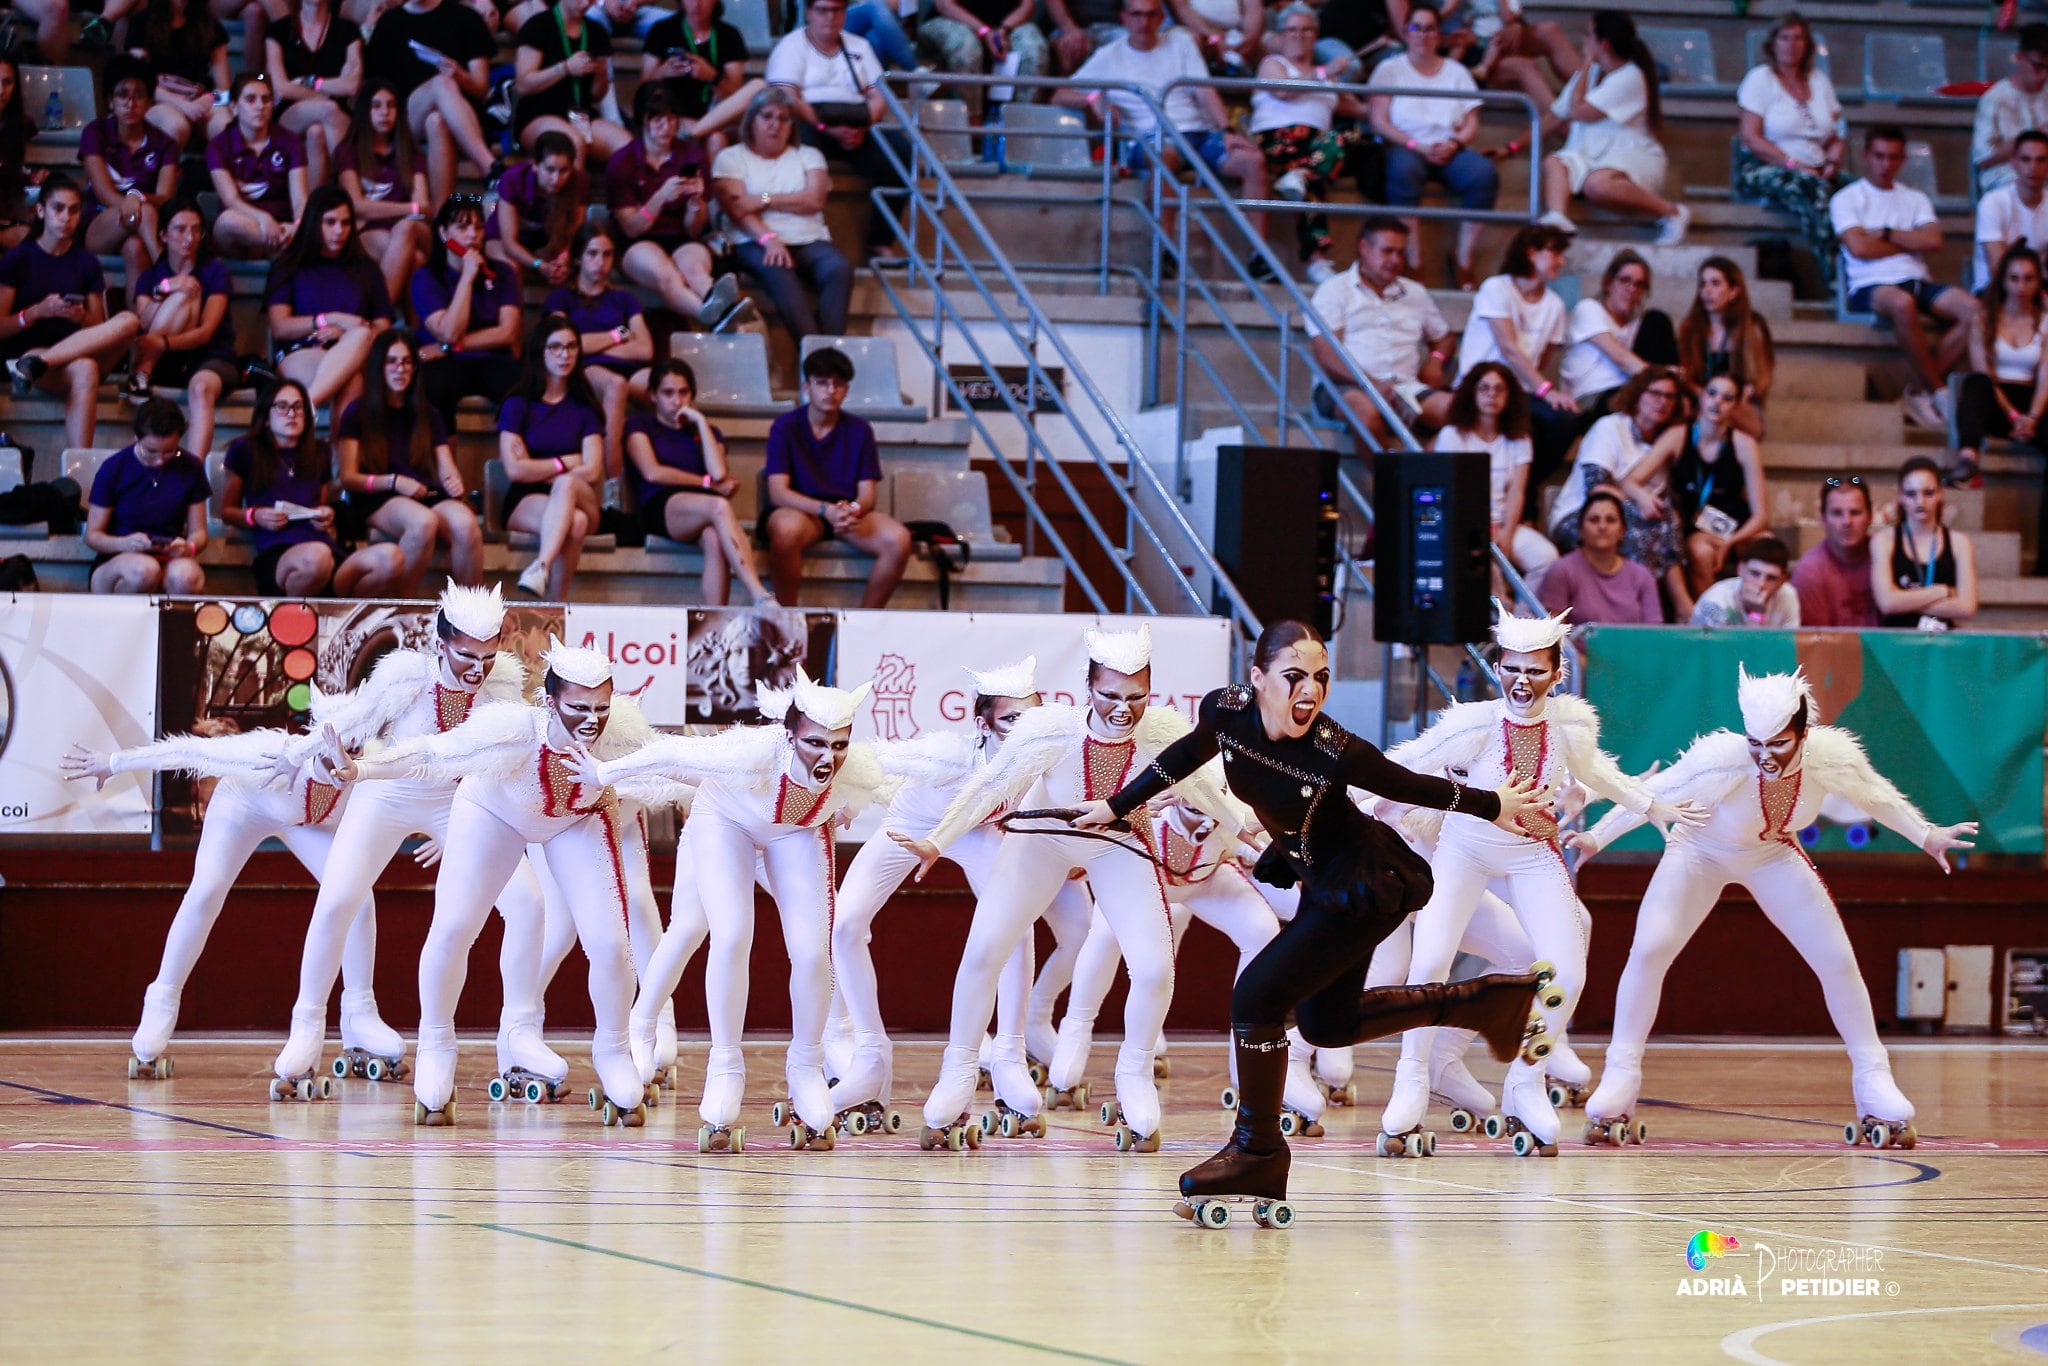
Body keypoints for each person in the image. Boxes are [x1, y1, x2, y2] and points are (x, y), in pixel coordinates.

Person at [1067, 622, 1552, 1207]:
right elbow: (1183, 756)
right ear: (1258, 679)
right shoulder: (1227, 712)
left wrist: (1492, 804)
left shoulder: (1331, 747)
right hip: (1319, 879)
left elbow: (1408, 784)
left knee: (1256, 998)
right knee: (1329, 1025)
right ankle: (1486, 1002)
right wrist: (1117, 805)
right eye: (1294, 676)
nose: (1311, 690)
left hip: (1361, 886)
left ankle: (1259, 1152)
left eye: (1321, 678)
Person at [1573, 666, 1975, 1148]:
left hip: (1773, 853)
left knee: (1836, 959)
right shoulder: (1721, 758)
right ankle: (1620, 1078)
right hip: (1697, 851)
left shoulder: (1830, 757)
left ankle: (1874, 1080)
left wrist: (1927, 835)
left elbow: (1877, 796)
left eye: (1778, 744)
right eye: (1755, 743)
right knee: (1650, 950)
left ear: (1804, 733)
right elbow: (1650, 796)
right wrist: (1598, 837)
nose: (1764, 755)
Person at [1375, 608, 1699, 1158]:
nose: (1521, 681)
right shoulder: (1474, 724)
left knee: (1566, 974)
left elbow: (1597, 772)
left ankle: (1526, 1081)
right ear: (1497, 666)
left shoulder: (1568, 729)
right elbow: (1405, 766)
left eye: (1535, 670)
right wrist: (1342, 804)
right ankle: (1412, 1076)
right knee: (1428, 965)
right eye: (1511, 668)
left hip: (1533, 852)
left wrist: (1650, 805)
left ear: (1557, 673)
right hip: (1463, 849)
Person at [307, 634, 652, 1125]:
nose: (592, 718)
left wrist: (620, 774)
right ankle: (436, 1043)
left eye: (601, 705)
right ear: (550, 701)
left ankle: (613, 1050)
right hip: (493, 813)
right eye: (579, 706)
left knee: (612, 945)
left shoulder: (620, 733)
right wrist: (361, 769)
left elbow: (669, 766)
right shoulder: (513, 727)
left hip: (577, 821)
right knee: (453, 929)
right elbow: (430, 752)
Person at [886, 627, 1195, 1152]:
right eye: (1110, 695)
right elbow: (992, 786)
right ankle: (959, 1071)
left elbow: (1210, 788)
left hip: (1116, 845)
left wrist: (1261, 830)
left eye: (1136, 696)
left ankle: (1135, 1074)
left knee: (1154, 966)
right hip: (1041, 841)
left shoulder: (1164, 732)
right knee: (985, 950)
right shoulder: (1051, 728)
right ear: (1087, 686)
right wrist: (938, 841)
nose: (1122, 709)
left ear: (1151, 690)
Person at [571, 669, 892, 1149]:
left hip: (795, 835)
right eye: (816, 743)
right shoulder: (751, 750)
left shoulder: (857, 769)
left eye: (839, 744)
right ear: (789, 733)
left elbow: (905, 775)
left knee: (812, 952)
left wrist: (928, 831)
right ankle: (715, 1060)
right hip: (724, 822)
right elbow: (670, 753)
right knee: (725, 932)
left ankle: (806, 1063)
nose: (828, 756)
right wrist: (601, 773)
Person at [823, 657, 1090, 1128]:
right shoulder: (950, 755)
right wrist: (845, 799)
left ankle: (1008, 1052)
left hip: (979, 833)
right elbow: (872, 759)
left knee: (1013, 925)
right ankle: (869, 1053)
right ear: (981, 721)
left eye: (1031, 717)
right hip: (909, 827)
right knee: (844, 923)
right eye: (1011, 719)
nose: (1024, 728)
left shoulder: (1042, 751)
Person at [59, 725, 397, 1085]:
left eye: (358, 750)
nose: (349, 759)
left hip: (306, 822)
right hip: (244, 806)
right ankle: (162, 999)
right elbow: (191, 752)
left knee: (357, 896)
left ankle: (359, 1012)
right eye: (343, 750)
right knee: (206, 890)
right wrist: (113, 762)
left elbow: (430, 776)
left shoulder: (373, 769)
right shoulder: (271, 748)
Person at [1054, 0, 1271, 274]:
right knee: (1163, 156)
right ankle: (1165, 251)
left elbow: (1205, 93)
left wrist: (1226, 130)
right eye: (1136, 15)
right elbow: (1059, 93)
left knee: (1252, 160)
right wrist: (1093, 98)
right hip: (1150, 137)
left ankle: (1259, 255)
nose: (1143, 23)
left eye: (1150, 15)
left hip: (1198, 134)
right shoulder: (1110, 55)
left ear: (1161, 17)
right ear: (1124, 18)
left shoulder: (1182, 44)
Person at [1831, 125, 1979, 432]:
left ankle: (1919, 391)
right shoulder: (1847, 198)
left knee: (1975, 311)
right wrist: (1909, 239)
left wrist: (1884, 233)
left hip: (1916, 278)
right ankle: (1938, 391)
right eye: (1880, 157)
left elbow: (1934, 241)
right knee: (1902, 303)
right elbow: (1859, 248)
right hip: (1871, 285)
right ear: (1866, 156)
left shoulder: (1915, 198)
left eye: (1894, 158)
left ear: (1902, 160)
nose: (1886, 165)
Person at [222, 377, 407, 596]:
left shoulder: (320, 452)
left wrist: (326, 515)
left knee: (392, 557)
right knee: (316, 558)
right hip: (279, 553)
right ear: (266, 418)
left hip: (325, 549)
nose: (291, 413)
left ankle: (342, 622)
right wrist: (255, 516)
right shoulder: (245, 450)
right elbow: (227, 511)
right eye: (282, 406)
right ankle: (293, 624)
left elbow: (319, 505)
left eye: (298, 407)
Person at [762, 346, 914, 607]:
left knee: (899, 539)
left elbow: (867, 494)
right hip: (801, 509)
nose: (831, 391)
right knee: (786, 531)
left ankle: (864, 621)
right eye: (822, 383)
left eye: (839, 384)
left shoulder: (860, 429)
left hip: (846, 514)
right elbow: (778, 492)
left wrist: (850, 510)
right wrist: (825, 510)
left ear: (847, 389)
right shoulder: (785, 426)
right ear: (806, 386)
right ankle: (787, 617)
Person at [0, 175, 143, 450]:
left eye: (74, 210)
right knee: (85, 368)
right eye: (58, 209)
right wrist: (34, 313)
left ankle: (41, 363)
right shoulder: (19, 258)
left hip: (75, 351)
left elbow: (99, 327)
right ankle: (80, 465)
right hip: (30, 351)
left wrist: (80, 317)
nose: (66, 218)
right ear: (40, 211)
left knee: (129, 320)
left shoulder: (85, 261)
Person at [335, 330, 485, 591]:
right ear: (378, 366)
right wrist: (394, 482)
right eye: (391, 361)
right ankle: (403, 610)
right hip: (378, 495)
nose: (399, 369)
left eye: (406, 362)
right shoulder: (358, 412)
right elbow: (348, 477)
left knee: (466, 524)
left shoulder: (429, 413)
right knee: (422, 522)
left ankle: (470, 618)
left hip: (424, 492)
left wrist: (454, 482)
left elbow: (446, 467)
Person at [625, 358, 774, 605]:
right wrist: (706, 484)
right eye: (668, 393)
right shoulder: (640, 425)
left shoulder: (707, 431)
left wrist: (702, 423)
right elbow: (653, 473)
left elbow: (718, 473)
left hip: (700, 509)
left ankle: (714, 620)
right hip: (660, 504)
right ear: (653, 395)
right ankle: (758, 592)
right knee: (719, 506)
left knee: (715, 539)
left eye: (684, 393)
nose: (677, 401)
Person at [764, 0, 907, 260]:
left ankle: (881, 240)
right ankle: (798, 239)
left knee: (900, 150)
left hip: (857, 121)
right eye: (822, 10)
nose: (830, 17)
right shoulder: (791, 45)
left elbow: (878, 95)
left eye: (836, 10)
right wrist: (825, 127)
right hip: (812, 122)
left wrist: (863, 125)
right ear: (808, 12)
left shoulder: (859, 45)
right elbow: (787, 96)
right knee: (799, 143)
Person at [1368, 3, 1497, 289]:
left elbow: (1471, 122)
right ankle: (1413, 261)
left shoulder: (1456, 72)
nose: (1423, 35)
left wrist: (1455, 143)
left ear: (1439, 35)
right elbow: (1378, 121)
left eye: (1430, 28)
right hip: (1408, 145)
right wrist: (1417, 145)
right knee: (1403, 169)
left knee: (1483, 173)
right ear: (1405, 33)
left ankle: (1463, 260)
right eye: (1416, 28)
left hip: (1448, 147)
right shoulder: (1389, 69)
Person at [712, 86, 852, 342]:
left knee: (838, 268)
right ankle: (818, 361)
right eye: (767, 117)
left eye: (783, 118)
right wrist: (769, 239)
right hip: (753, 240)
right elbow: (738, 210)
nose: (775, 125)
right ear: (751, 120)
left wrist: (764, 199)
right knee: (779, 270)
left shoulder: (808, 155)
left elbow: (814, 200)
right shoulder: (730, 158)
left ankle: (830, 351)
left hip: (809, 239)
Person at [1538, 10, 1687, 245]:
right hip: (1592, 155)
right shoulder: (1592, 73)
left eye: (1588, 36)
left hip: (1633, 156)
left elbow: (1577, 112)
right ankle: (1558, 220)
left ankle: (1672, 212)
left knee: (1597, 185)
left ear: (1603, 44)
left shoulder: (1630, 77)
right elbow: (1556, 115)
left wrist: (1585, 64)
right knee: (1553, 162)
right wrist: (1512, 146)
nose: (1584, 42)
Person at [1307, 216, 1452, 449]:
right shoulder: (1334, 290)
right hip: (1345, 387)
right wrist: (1371, 384)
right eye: (1387, 251)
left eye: (1401, 253)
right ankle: (1386, 483)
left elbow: (1444, 338)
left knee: (1463, 413)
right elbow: (1327, 357)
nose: (1395, 260)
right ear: (1364, 248)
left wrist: (1436, 360)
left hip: (1405, 388)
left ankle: (1421, 474)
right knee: (1365, 411)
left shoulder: (1415, 292)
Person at [1548, 369, 1686, 610]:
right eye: (1655, 393)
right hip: (1581, 516)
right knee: (1638, 531)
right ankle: (1642, 610)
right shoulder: (1611, 427)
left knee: (1666, 521)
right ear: (1637, 395)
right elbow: (1596, 488)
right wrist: (1639, 498)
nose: (1662, 402)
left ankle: (1670, 608)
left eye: (1669, 396)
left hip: (1627, 519)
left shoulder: (1662, 443)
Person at [608, 86, 743, 328]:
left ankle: (717, 305)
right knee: (666, 275)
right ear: (643, 121)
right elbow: (631, 228)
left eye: (671, 119)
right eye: (658, 119)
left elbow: (693, 230)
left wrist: (696, 203)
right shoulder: (624, 161)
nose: (666, 127)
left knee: (695, 271)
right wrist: (660, 197)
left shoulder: (693, 156)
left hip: (681, 237)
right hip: (639, 242)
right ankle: (719, 318)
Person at [1458, 222, 1576, 497]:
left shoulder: (1555, 305)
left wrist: (1539, 389)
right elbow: (1509, 348)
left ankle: (1525, 489)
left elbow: (1543, 357)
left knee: (1565, 420)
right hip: (1478, 386)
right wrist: (1546, 390)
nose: (1562, 260)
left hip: (1519, 391)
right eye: (1555, 252)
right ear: (1531, 253)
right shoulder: (1496, 288)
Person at [1626, 373, 1770, 599]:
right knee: (1700, 550)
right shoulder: (1679, 435)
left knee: (1767, 546)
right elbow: (1631, 480)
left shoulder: (1744, 444)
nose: (1717, 402)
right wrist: (1642, 496)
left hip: (1735, 528)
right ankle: (1711, 622)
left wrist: (1731, 541)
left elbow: (1761, 516)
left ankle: (1760, 624)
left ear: (1735, 406)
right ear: (1701, 397)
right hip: (1697, 526)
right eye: (1712, 394)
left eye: (1727, 398)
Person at [500, 312, 606, 600]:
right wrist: (564, 463)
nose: (565, 355)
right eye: (556, 347)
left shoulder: (585, 408)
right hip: (526, 496)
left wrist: (540, 468)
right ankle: (558, 606)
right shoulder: (517, 403)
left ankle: (541, 566)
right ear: (540, 351)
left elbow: (594, 470)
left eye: (571, 347)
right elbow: (514, 471)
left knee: (567, 486)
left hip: (580, 493)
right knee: (576, 523)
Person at [1734, 12, 1845, 288]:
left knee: (1857, 191)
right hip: (1764, 167)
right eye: (1785, 38)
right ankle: (1832, 277)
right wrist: (1794, 165)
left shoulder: (1819, 80)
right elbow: (1750, 138)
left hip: (1818, 166)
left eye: (1798, 38)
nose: (1791, 44)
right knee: (1815, 191)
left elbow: (1836, 134)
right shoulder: (1760, 79)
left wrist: (1832, 161)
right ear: (1773, 43)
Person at [264, 185, 393, 417]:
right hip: (300, 350)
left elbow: (383, 328)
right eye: (330, 222)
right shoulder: (289, 266)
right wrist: (330, 320)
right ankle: (307, 414)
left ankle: (303, 410)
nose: (339, 231)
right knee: (352, 381)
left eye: (345, 223)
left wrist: (345, 335)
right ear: (314, 223)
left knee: (360, 342)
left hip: (355, 352)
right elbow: (280, 327)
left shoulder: (367, 269)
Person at [362, 0, 503, 206]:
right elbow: (374, 88)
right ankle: (490, 167)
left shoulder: (466, 18)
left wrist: (460, 76)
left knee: (437, 122)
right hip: (405, 117)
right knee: (441, 84)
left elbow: (481, 89)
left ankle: (441, 218)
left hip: (461, 120)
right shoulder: (390, 23)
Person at [1431, 362, 1557, 589]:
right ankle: (1499, 614)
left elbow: (1517, 492)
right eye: (1484, 388)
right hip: (1462, 524)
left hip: (1504, 524)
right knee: (1484, 564)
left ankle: (1522, 617)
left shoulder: (1519, 439)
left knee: (1547, 559)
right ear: (1472, 393)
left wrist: (1507, 533)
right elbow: (1450, 494)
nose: (1492, 395)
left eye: (1499, 389)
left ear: (1510, 396)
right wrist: (1484, 529)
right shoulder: (1453, 436)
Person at [546, 222, 656, 478]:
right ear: (578, 258)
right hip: (585, 368)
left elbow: (645, 350)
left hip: (626, 367)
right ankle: (611, 477)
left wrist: (594, 345)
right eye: (593, 254)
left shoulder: (624, 299)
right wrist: (618, 335)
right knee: (616, 385)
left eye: (607, 255)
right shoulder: (562, 298)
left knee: (668, 388)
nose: (600, 262)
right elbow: (565, 345)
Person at [128, 202, 239, 457]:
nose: (189, 238)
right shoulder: (151, 277)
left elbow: (206, 332)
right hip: (167, 360)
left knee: (200, 388)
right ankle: (144, 369)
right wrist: (164, 288)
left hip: (210, 356)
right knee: (181, 292)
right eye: (180, 230)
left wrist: (163, 344)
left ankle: (194, 470)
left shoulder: (215, 271)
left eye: (195, 230)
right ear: (164, 235)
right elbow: (143, 325)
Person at [411, 195, 526, 427]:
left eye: (479, 228)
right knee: (435, 387)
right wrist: (467, 277)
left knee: (521, 386)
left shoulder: (503, 273)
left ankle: (515, 458)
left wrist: (449, 347)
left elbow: (507, 333)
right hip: (447, 364)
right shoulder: (426, 277)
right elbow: (449, 331)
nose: (473, 236)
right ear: (444, 233)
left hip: (490, 358)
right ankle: (444, 459)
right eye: (463, 228)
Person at [83, 398, 211, 595]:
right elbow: (93, 535)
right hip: (119, 555)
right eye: (151, 451)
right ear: (136, 438)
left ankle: (174, 626)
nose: (160, 460)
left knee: (186, 576)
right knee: (144, 570)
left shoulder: (190, 466)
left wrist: (189, 548)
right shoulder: (114, 468)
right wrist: (124, 543)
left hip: (169, 555)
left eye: (170, 452)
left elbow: (199, 532)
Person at [80, 58, 181, 290]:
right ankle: (166, 266)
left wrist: (140, 199)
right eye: (122, 95)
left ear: (149, 102)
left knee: (135, 249)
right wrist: (134, 203)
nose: (130, 103)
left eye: (138, 95)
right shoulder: (95, 133)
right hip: (100, 223)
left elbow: (165, 195)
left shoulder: (164, 143)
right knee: (143, 211)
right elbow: (104, 193)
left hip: (143, 227)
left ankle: (141, 319)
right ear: (110, 101)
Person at [1953, 244, 2048, 489]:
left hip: (2034, 402)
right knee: (1976, 383)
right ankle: (1968, 462)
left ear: (2038, 282)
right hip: (1996, 401)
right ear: (2003, 281)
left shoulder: (2046, 321)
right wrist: (2014, 416)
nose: (2021, 287)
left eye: (2028, 279)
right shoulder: (1983, 320)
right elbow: (1984, 373)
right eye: (2014, 279)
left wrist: (2032, 418)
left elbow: (2046, 376)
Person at [337, 81, 434, 306]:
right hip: (369, 231)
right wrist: (409, 208)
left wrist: (411, 211)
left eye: (391, 106)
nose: (385, 112)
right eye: (377, 106)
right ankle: (414, 331)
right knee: (416, 260)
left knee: (406, 228)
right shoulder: (349, 150)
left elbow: (425, 208)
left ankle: (379, 314)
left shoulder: (411, 153)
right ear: (364, 111)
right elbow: (356, 206)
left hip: (414, 229)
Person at [1558, 248, 1678, 417]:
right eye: (1625, 280)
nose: (1632, 289)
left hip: (1626, 391)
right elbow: (1620, 357)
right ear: (1609, 283)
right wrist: (1662, 379)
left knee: (1657, 319)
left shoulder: (1636, 326)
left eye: (1639, 284)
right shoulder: (1589, 309)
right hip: (1592, 397)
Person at [514, 0, 631, 166]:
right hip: (539, 115)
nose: (585, 4)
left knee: (626, 146)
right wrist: (565, 68)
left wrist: (600, 73)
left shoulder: (596, 31)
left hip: (581, 115)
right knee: (571, 143)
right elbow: (523, 85)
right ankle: (572, 192)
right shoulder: (538, 26)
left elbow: (597, 95)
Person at [206, 73, 309, 259]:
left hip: (281, 226)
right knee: (227, 221)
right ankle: (289, 244)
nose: (260, 106)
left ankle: (281, 244)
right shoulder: (219, 146)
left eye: (266, 99)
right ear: (234, 107)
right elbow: (231, 200)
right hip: (240, 230)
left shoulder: (291, 142)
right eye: (251, 100)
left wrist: (298, 224)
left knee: (307, 224)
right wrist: (263, 218)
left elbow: (300, 199)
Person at [1871, 457, 1978, 629]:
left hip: (1942, 646)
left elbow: (1967, 608)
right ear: (1900, 496)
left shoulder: (1960, 543)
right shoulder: (1884, 541)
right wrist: (1942, 592)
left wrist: (1904, 600)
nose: (1920, 502)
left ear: (1940, 493)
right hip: (1897, 644)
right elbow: (1886, 604)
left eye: (1928, 493)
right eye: (1911, 494)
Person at [265, 0, 363, 188]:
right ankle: (352, 192)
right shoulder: (278, 30)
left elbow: (352, 85)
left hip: (337, 112)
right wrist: (329, 92)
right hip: (292, 112)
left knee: (316, 133)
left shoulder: (348, 30)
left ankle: (313, 208)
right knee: (328, 109)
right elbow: (281, 88)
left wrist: (309, 82)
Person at [1676, 256, 1775, 441]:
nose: (1707, 291)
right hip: (1699, 399)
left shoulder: (1752, 326)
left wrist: (1746, 392)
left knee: (1744, 420)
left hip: (1735, 402)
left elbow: (1762, 375)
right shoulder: (1690, 327)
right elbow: (1686, 375)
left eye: (1715, 283)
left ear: (1734, 291)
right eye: (1703, 284)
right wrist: (1705, 396)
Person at [641, 0, 755, 156]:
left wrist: (712, 77)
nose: (697, 4)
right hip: (674, 115)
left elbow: (734, 97)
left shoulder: (729, 35)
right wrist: (663, 72)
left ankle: (694, 133)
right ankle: (695, 133)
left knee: (757, 87)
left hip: (716, 115)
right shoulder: (662, 30)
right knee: (716, 138)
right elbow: (643, 89)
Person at [1537, 488, 1663, 624]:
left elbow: (1654, 632)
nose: (1602, 526)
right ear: (1580, 530)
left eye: (1611, 520)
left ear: (1623, 531)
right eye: (1594, 520)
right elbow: (1554, 636)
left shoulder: (1642, 576)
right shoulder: (1561, 570)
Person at [124, 0, 232, 152]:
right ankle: (162, 173)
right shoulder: (142, 22)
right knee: (176, 126)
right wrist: (183, 105)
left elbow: (224, 90)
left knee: (224, 125)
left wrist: (208, 99)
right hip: (158, 99)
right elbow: (139, 82)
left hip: (200, 98)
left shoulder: (210, 25)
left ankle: (222, 174)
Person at [489, 130, 590, 288]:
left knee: (568, 270)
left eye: (564, 171)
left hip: (547, 240)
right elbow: (509, 243)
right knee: (511, 268)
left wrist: (563, 259)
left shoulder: (579, 183)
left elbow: (574, 234)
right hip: (501, 239)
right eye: (550, 170)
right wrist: (540, 265)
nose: (556, 179)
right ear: (535, 165)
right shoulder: (513, 180)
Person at [920, 0, 1051, 118]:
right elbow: (944, 4)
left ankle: (1021, 125)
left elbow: (1028, 5)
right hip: (951, 18)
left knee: (1033, 49)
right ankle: (970, 126)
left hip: (1007, 23)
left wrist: (1003, 30)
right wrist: (984, 31)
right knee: (966, 48)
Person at [1791, 475, 1880, 627]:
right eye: (1837, 513)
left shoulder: (1888, 557)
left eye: (1855, 512)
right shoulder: (1809, 571)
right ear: (1823, 517)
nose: (1847, 522)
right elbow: (1816, 643)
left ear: (1870, 515)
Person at [1972, 22, 2048, 196]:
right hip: (2006, 178)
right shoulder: (1995, 98)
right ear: (2020, 57)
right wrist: (2031, 140)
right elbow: (1983, 159)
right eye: (2038, 66)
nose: (2044, 75)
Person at [1976, 131, 2048, 296]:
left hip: (2039, 286)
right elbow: (1998, 270)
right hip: (1995, 289)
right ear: (2013, 162)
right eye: (2026, 159)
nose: (2033, 167)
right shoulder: (1992, 202)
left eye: (2041, 160)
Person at [1688, 534, 1800, 628]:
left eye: (1771, 578)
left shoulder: (1787, 595)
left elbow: (1789, 648)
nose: (1761, 584)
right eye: (1755, 574)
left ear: (1783, 580)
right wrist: (1756, 614)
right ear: (1740, 569)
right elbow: (1742, 652)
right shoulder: (1715, 603)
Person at [0, 57, 38, 252]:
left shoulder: (20, 125)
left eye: (7, 82)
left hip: (5, 220)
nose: (1, 91)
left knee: (33, 237)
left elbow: (11, 175)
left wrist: (31, 178)